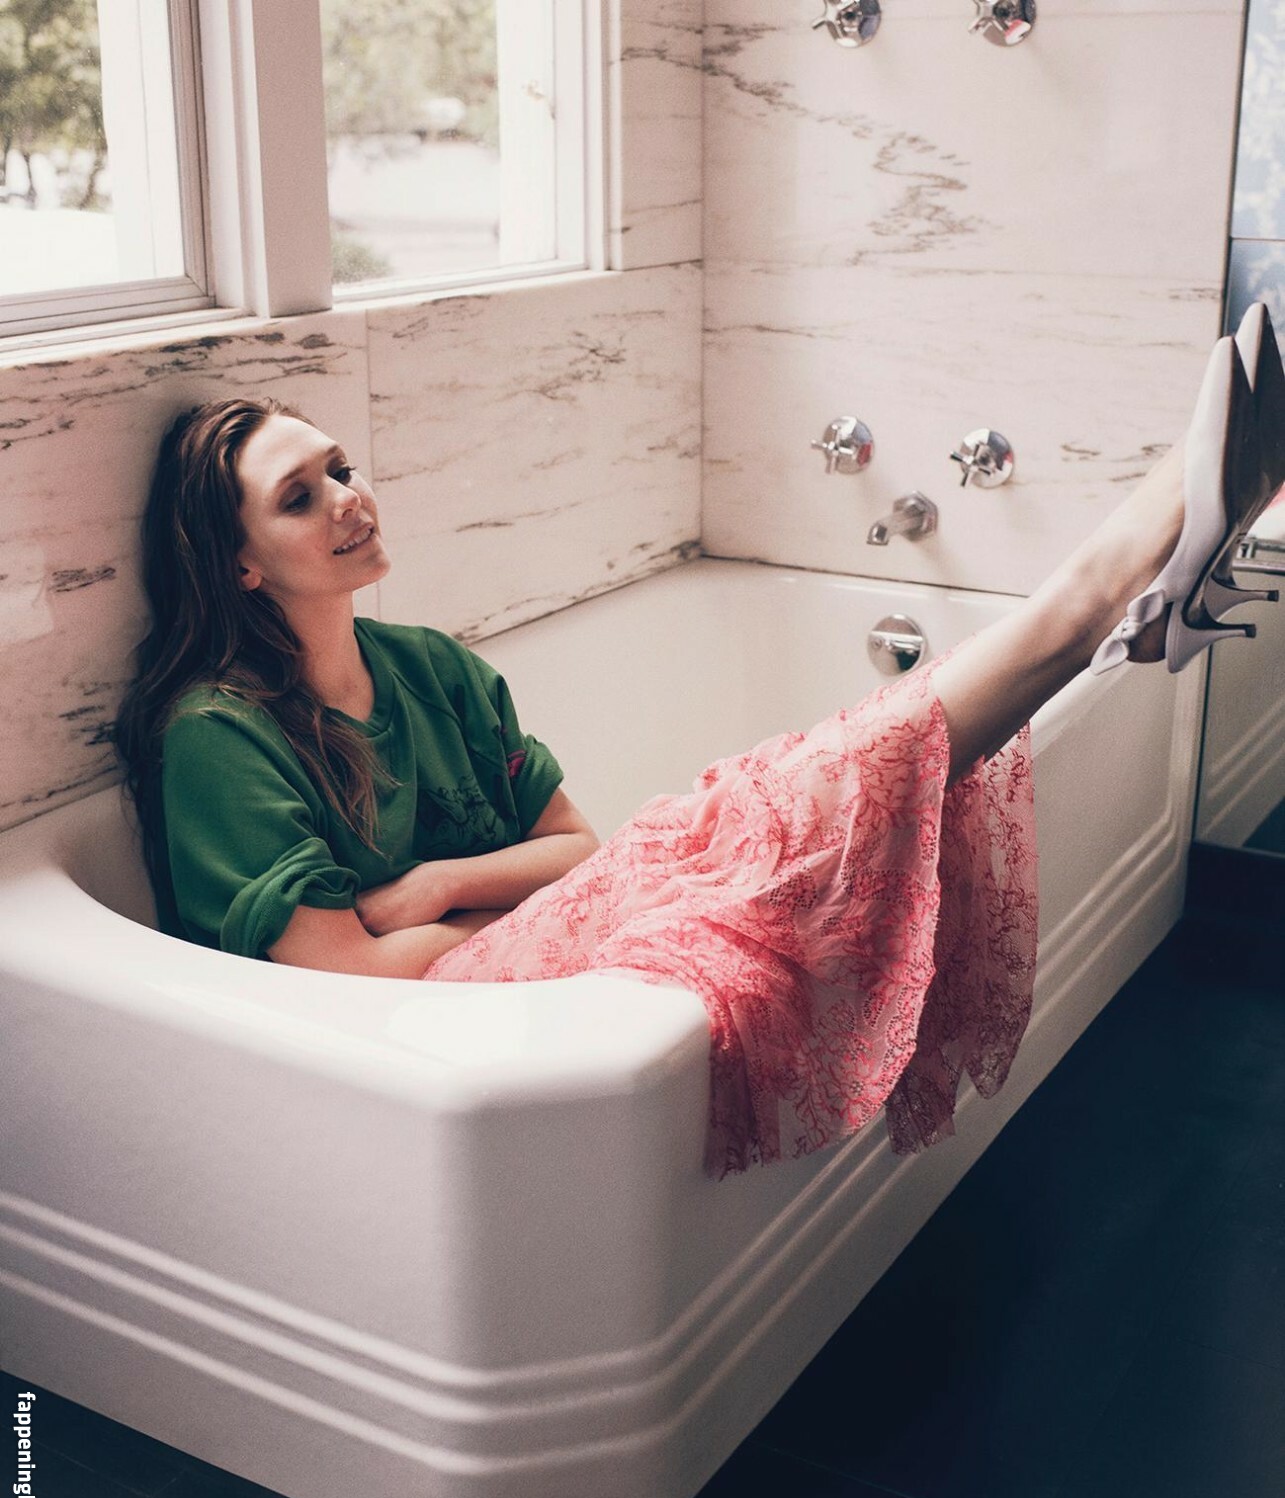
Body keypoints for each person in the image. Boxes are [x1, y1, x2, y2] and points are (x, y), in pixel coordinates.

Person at [112, 305, 1285, 1179]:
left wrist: (438, 885)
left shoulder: (427, 663)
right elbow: (350, 980)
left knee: (761, 815)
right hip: (423, 1031)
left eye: (341, 468)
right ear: (240, 564)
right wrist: (511, 911)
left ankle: (1128, 579)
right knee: (792, 811)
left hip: (504, 957)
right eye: (300, 496)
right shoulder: (216, 737)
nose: (348, 498)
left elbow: (574, 851)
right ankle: (1112, 586)